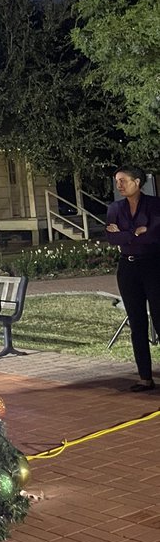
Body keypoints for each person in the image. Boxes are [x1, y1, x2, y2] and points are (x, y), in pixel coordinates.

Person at [106, 166, 160, 391]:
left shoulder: (155, 205)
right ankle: (145, 378)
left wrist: (125, 235)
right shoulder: (115, 208)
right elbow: (111, 236)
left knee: (159, 318)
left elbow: (154, 234)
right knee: (136, 323)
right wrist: (134, 233)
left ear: (137, 182)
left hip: (153, 266)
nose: (119, 185)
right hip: (127, 269)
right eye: (117, 181)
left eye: (123, 181)